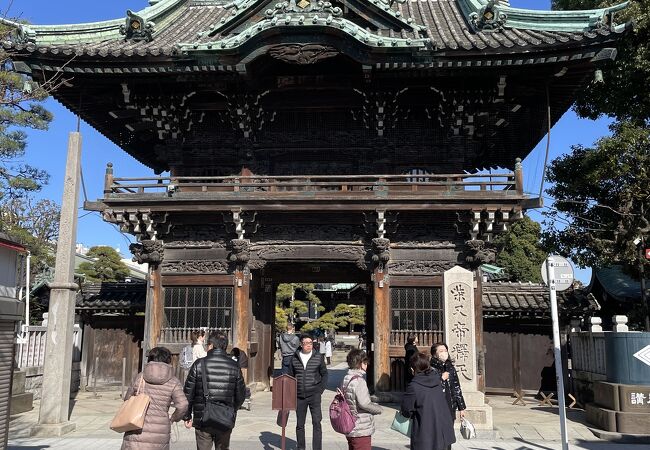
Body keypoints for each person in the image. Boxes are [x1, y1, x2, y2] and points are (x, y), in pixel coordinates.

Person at [183, 332, 246, 450]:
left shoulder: (199, 364)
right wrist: (232, 409)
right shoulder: (234, 366)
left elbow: (188, 393)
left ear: (211, 345)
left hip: (203, 418)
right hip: (225, 417)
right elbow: (241, 395)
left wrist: (187, 415)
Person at [121, 346, 188, 450]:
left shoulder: (140, 377)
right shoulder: (173, 381)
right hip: (160, 432)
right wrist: (174, 418)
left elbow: (127, 399)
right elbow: (183, 405)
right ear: (168, 360)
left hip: (136, 428)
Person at [400, 352, 455, 450]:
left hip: (425, 431)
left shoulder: (414, 386)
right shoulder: (437, 380)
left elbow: (406, 410)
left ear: (413, 369)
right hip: (443, 430)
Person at [289, 334, 328, 450]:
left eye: (310, 343)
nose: (309, 345)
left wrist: (320, 389)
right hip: (299, 396)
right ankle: (301, 448)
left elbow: (324, 374)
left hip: (314, 395)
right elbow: (290, 377)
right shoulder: (294, 358)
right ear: (301, 344)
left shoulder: (318, 357)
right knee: (300, 425)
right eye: (306, 343)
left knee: (316, 423)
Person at [342, 349, 382, 450]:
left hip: (350, 424)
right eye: (365, 362)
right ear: (360, 363)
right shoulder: (359, 381)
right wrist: (378, 409)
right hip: (360, 427)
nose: (367, 365)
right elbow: (364, 404)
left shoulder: (347, 378)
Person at [430, 342, 467, 423]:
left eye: (445, 350)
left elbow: (457, 388)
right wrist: (441, 379)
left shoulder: (450, 368)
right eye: (441, 351)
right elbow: (428, 388)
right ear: (434, 354)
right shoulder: (430, 369)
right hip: (435, 408)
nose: (444, 353)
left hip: (450, 405)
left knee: (449, 431)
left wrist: (461, 408)